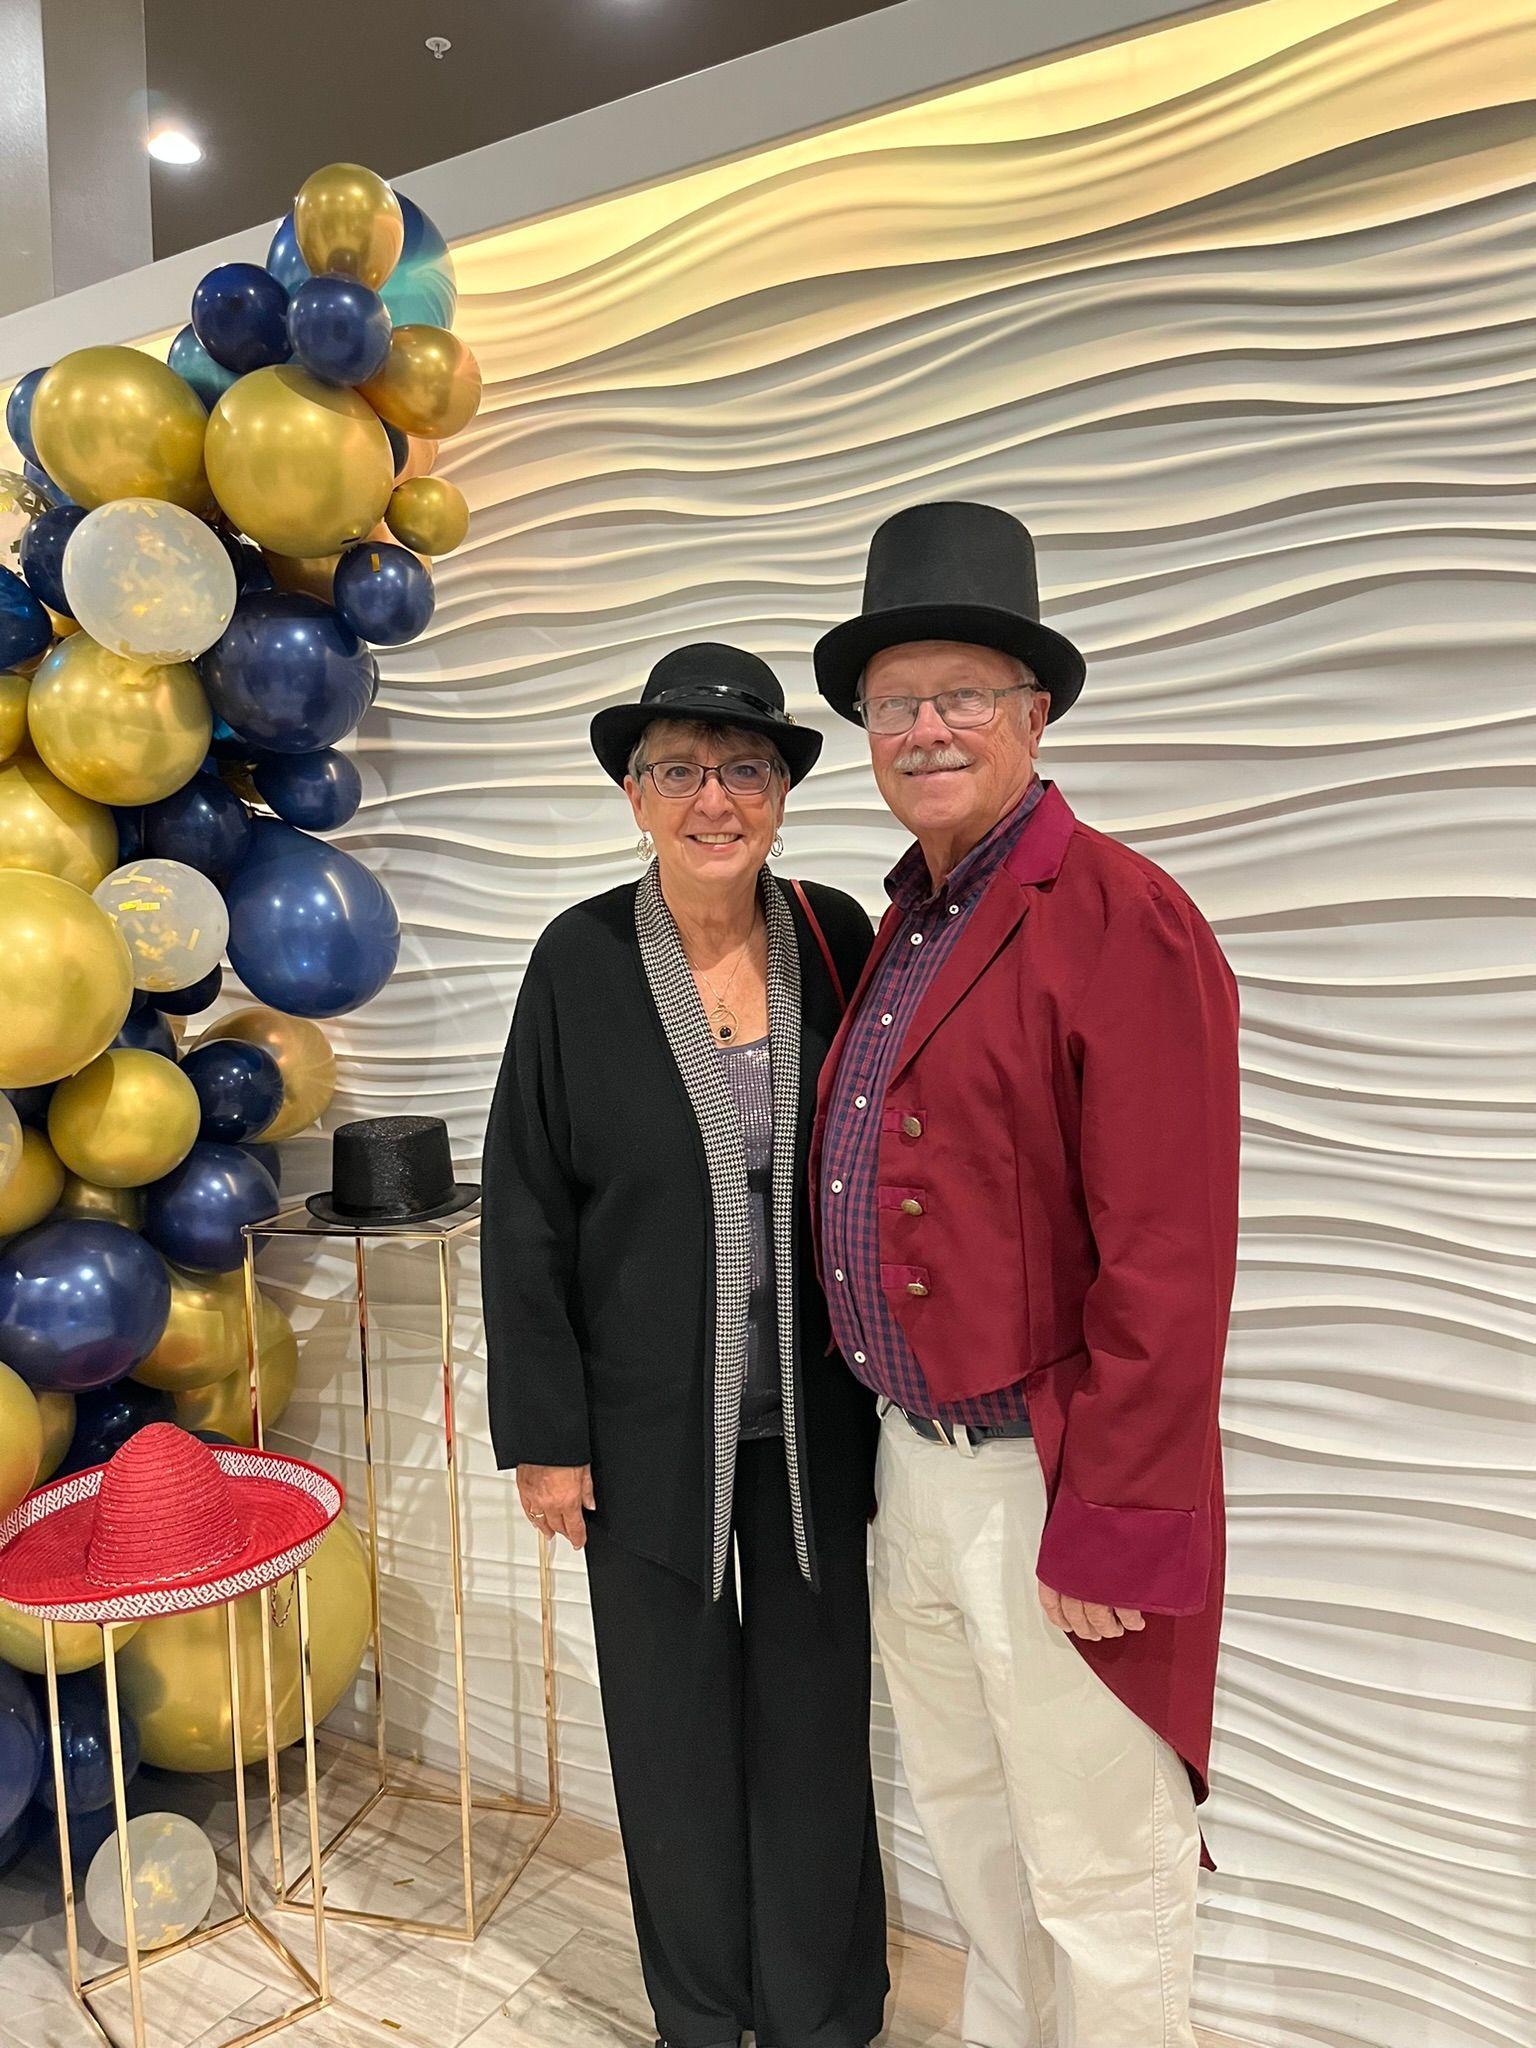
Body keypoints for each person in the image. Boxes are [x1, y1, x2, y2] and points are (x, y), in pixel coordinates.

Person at [810, 501, 1241, 2048]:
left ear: (1033, 713)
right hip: (912, 1475)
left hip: (1049, 1488)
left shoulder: (1120, 916)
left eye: (961, 696)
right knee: (976, 1842)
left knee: (1102, 1884)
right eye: (893, 703)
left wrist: (1113, 1527)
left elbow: (1171, 1263)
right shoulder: (904, 921)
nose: (924, 728)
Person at [482, 642, 887, 2048]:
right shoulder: (579, 960)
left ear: (780, 790)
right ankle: (703, 2018)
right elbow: (526, 1209)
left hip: (822, 1421)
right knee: (668, 1734)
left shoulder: (837, 935)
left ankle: (825, 2010)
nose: (713, 796)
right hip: (640, 1425)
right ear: (635, 795)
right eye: (678, 770)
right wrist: (545, 1434)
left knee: (816, 1728)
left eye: (744, 768)